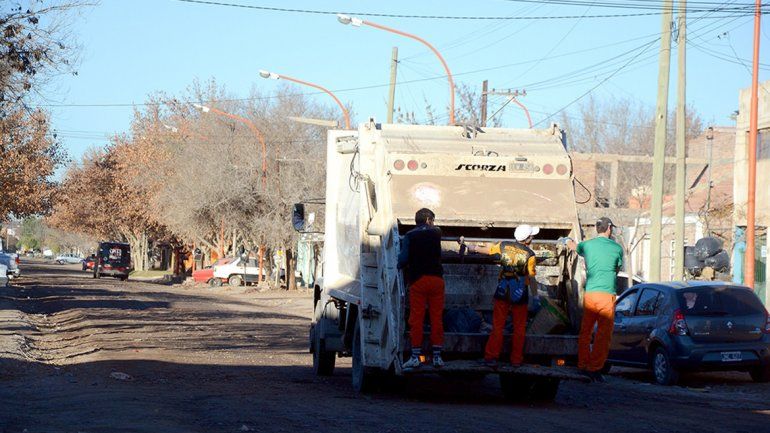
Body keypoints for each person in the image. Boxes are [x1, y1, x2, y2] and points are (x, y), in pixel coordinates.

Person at [462, 225, 539, 368]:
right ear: (527, 239)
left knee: (497, 326)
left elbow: (489, 250)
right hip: (520, 294)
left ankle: (491, 357)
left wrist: (472, 248)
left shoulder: (504, 245)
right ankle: (516, 360)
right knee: (519, 328)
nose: (532, 238)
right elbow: (532, 278)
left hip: (503, 291)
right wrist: (536, 296)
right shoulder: (530, 255)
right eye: (532, 236)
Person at [567, 217, 624, 382]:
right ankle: (594, 368)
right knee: (603, 335)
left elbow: (573, 247)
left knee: (585, 331)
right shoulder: (616, 248)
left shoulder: (587, 245)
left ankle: (582, 364)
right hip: (607, 295)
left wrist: (567, 241)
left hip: (590, 294)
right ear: (609, 229)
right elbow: (617, 268)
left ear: (597, 228)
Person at [398, 208, 445, 369]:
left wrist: (398, 264)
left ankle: (415, 356)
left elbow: (403, 260)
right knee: (436, 318)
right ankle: (437, 357)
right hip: (437, 280)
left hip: (418, 281)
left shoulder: (410, 236)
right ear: (428, 220)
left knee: (416, 319)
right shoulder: (437, 232)